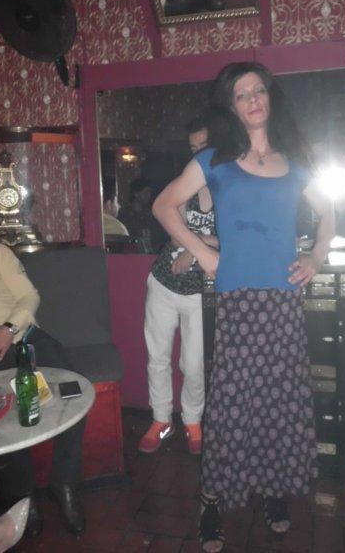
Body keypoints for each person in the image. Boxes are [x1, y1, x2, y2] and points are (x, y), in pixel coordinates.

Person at [152, 62, 334, 552]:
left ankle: (273, 489)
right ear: (230, 106)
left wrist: (316, 256)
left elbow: (329, 211)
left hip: (283, 301)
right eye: (241, 93)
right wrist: (204, 253)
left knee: (278, 402)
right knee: (232, 407)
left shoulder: (294, 162)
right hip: (237, 300)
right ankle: (211, 499)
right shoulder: (215, 159)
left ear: (270, 98)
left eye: (259, 90)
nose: (253, 99)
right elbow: (164, 206)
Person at [0, 240, 86, 537]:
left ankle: (63, 482)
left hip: (23, 337)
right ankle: (22, 497)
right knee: (3, 420)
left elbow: (29, 296)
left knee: (74, 390)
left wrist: (8, 329)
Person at [138, 116, 217, 456]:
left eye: (204, 146)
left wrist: (193, 248)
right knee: (157, 357)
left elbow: (234, 240)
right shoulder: (183, 184)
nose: (198, 154)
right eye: (193, 148)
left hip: (201, 291)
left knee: (194, 364)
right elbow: (172, 230)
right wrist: (202, 243)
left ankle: (192, 420)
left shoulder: (231, 189)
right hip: (164, 283)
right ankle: (160, 419)